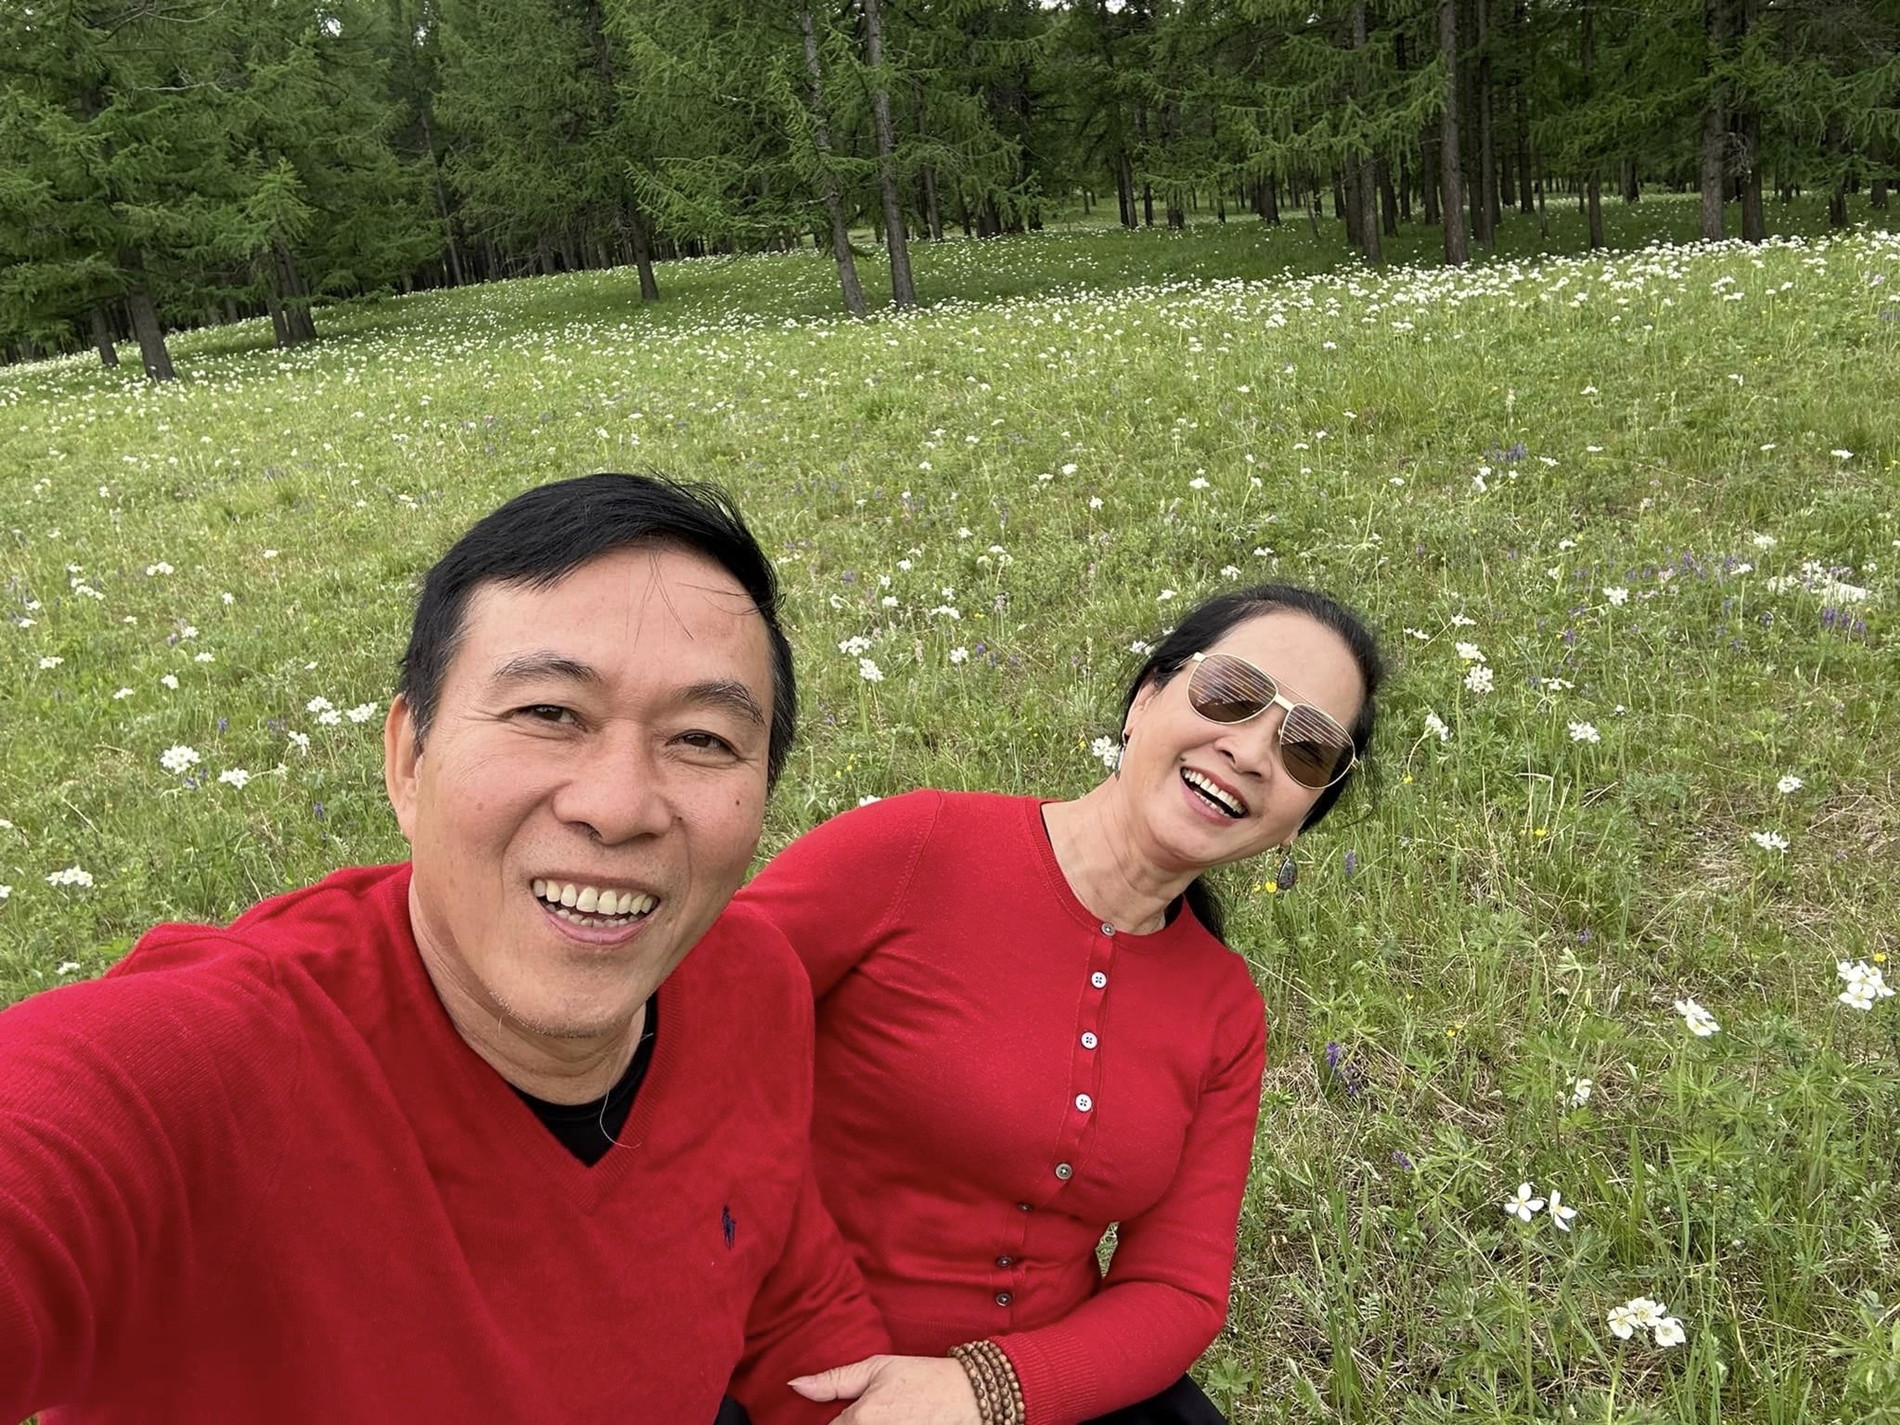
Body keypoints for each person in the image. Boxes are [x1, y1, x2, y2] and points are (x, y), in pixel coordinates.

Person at [0, 474, 889, 1424]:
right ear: (408, 762)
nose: (619, 805)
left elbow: (791, 1301)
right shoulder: (212, 1066)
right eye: (548, 713)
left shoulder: (749, 980)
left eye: (703, 738)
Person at [743, 584, 1385, 1425]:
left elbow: (1178, 1287)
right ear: (1146, 698)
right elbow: (683, 1023)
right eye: (1232, 691)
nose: (1253, 751)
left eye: (1307, 748)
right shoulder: (916, 849)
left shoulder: (1225, 1010)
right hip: (793, 1360)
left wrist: (988, 1391)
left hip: (1046, 1394)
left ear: (1301, 819)